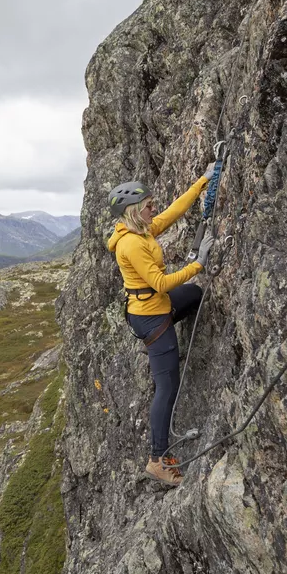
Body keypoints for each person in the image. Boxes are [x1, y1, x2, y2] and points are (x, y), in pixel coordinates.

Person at [106, 167, 216, 486]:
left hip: (155, 311)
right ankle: (158, 459)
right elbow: (159, 284)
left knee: (194, 293)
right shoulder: (132, 245)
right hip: (152, 318)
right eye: (149, 204)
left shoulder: (143, 230)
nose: (154, 208)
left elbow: (173, 212)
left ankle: (169, 345)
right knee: (167, 387)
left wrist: (203, 180)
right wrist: (199, 264)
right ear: (134, 210)